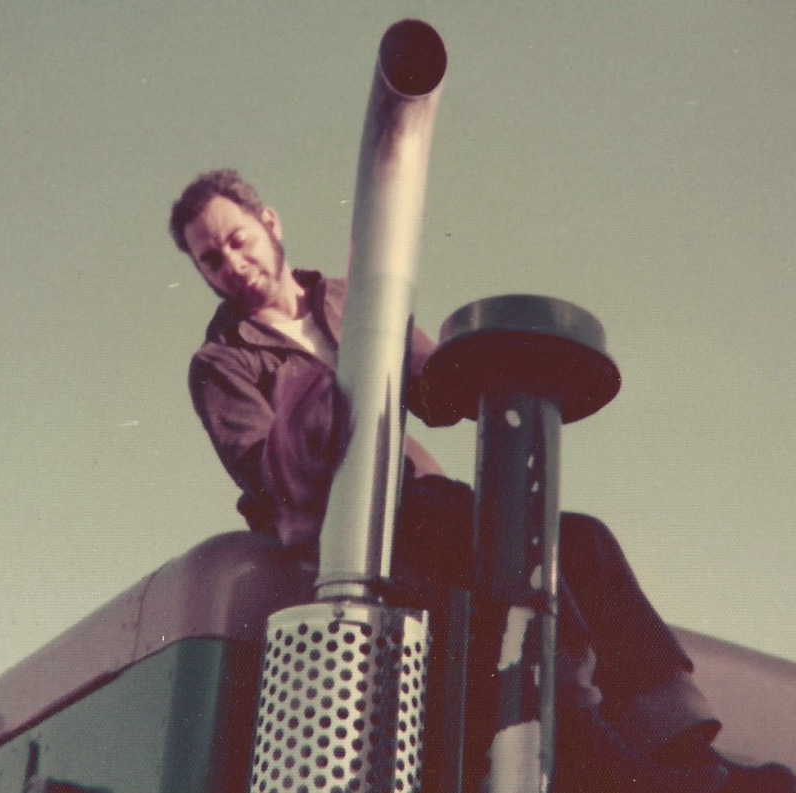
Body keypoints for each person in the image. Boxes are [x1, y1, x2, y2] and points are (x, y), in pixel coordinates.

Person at [169, 169, 795, 793]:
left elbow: (436, 394)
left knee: (579, 539)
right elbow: (263, 466)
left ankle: (686, 752)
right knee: (500, 539)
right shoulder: (222, 361)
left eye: (236, 238)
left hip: (427, 503)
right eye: (210, 258)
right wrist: (336, 392)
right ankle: (584, 748)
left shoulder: (354, 300)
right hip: (342, 528)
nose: (231, 262)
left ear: (269, 223)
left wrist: (467, 352)